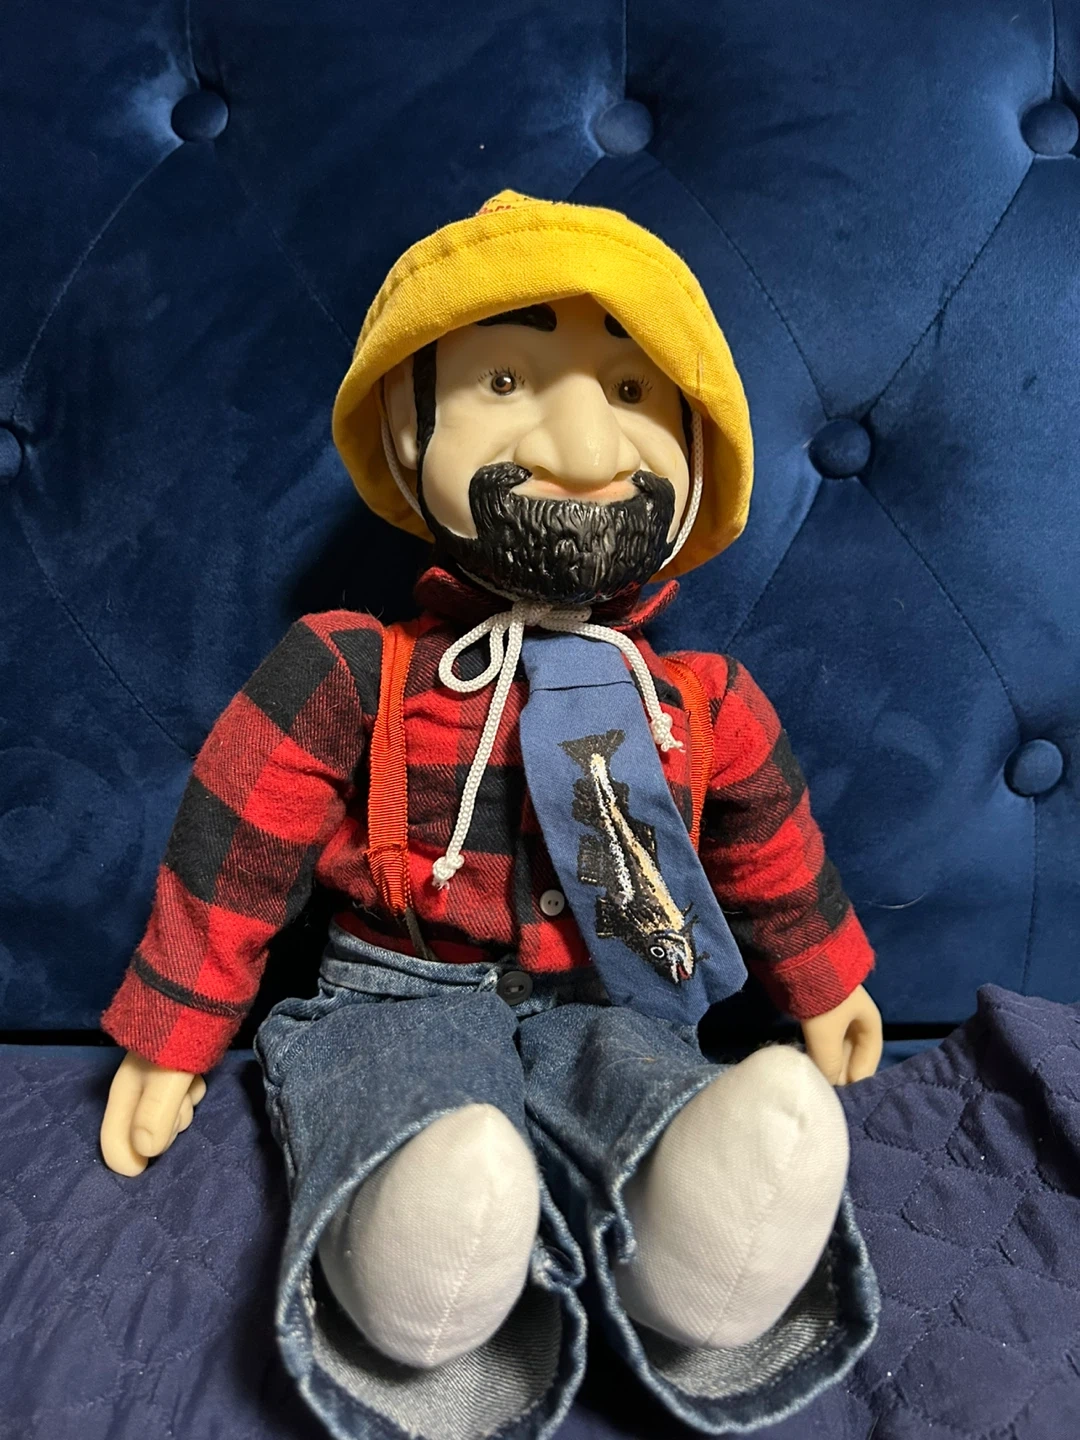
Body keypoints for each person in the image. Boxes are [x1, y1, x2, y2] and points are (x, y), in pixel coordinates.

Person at [100, 191, 882, 1440]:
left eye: (631, 392)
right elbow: (236, 851)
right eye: (505, 381)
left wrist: (826, 982)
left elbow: (768, 843)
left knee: (658, 1088)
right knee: (403, 1104)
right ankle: (415, 1240)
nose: (581, 442)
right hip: (394, 991)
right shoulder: (349, 671)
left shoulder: (699, 703)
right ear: (408, 436)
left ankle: (698, 1239)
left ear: (701, 452)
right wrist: (176, 1030)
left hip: (614, 993)